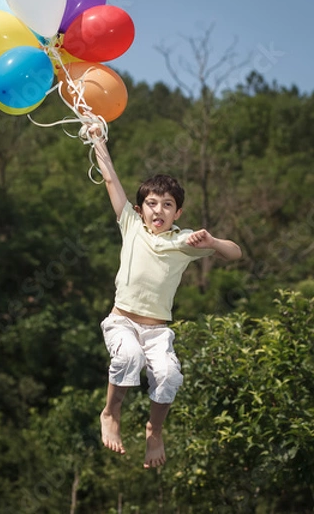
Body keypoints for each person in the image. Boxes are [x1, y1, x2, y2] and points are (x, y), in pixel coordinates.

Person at [88, 123, 242, 469]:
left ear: (178, 213)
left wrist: (214, 243)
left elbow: (235, 253)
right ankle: (111, 412)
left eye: (167, 205)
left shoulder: (185, 241)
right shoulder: (129, 223)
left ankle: (154, 430)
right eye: (151, 203)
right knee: (128, 357)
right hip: (122, 321)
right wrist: (98, 138)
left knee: (170, 376)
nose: (158, 210)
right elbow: (111, 179)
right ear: (141, 208)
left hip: (158, 330)